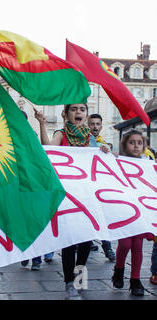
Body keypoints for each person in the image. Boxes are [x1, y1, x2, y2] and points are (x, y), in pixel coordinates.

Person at [35, 103, 109, 300]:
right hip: (68, 196)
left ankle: (79, 277)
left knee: (86, 241)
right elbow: (49, 148)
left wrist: (104, 150)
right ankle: (69, 282)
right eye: (74, 109)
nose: (79, 112)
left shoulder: (91, 139)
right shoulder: (62, 133)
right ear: (66, 114)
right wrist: (42, 124)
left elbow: (101, 163)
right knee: (70, 241)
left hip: (87, 195)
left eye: (82, 109)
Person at [111, 130, 155, 296]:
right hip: (123, 209)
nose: (136, 146)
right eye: (132, 142)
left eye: (139, 142)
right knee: (125, 244)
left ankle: (135, 281)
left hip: (141, 210)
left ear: (144, 145)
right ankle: (119, 269)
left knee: (137, 246)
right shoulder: (116, 160)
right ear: (124, 144)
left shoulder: (148, 163)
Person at [87, 114, 116, 262]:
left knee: (102, 218)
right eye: (92, 124)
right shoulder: (83, 142)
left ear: (101, 126)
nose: (95, 127)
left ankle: (107, 247)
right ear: (88, 125)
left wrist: (108, 151)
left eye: (97, 124)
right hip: (85, 188)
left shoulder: (102, 144)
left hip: (99, 189)